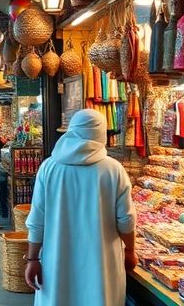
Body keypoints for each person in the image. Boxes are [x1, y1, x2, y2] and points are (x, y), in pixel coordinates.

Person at [23, 109, 136, 305]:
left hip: (56, 262)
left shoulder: (49, 167)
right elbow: (126, 219)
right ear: (100, 133)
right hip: (102, 265)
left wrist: (32, 260)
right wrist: (130, 250)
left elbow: (36, 221)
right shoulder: (112, 170)